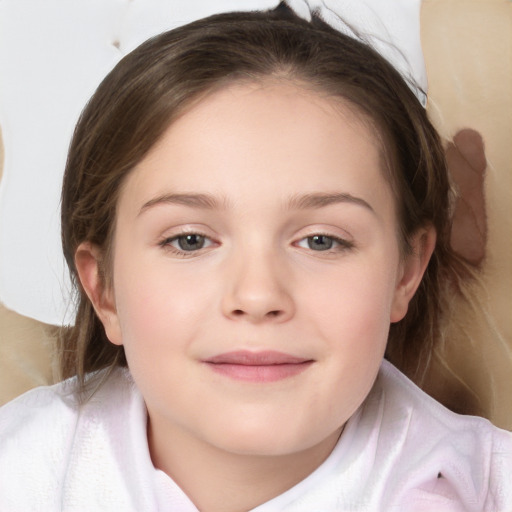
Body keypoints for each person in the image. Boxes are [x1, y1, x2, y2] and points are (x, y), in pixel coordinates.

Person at [0, 3, 510, 511]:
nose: (258, 296)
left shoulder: (481, 488)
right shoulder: (23, 469)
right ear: (103, 289)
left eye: (321, 241)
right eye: (190, 240)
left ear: (406, 271)